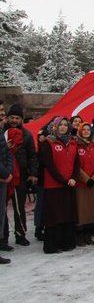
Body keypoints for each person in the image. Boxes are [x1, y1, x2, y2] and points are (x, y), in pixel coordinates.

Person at [40, 117, 78, 254]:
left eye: (65, 125)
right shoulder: (48, 142)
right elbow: (49, 165)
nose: (63, 127)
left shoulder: (73, 142)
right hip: (53, 185)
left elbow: (76, 164)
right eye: (60, 125)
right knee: (54, 216)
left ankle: (66, 243)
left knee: (67, 215)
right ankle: (52, 246)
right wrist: (63, 180)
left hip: (70, 184)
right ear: (54, 127)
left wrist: (73, 178)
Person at [2, 104, 37, 247]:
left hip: (20, 175)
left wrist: (33, 173)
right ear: (7, 118)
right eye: (12, 117)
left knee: (19, 207)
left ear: (21, 119)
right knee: (2, 208)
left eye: (17, 118)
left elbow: (32, 156)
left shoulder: (27, 135)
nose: (14, 120)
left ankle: (20, 234)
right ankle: (3, 238)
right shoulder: (1, 133)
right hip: (3, 174)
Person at [74, 122, 94, 246]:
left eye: (88, 129)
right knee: (81, 210)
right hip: (81, 184)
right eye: (83, 129)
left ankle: (88, 233)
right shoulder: (76, 145)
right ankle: (79, 235)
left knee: (92, 210)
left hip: (93, 183)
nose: (86, 131)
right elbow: (76, 166)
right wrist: (86, 179)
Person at [0, 130, 14, 263]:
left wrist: (8, 171)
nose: (3, 114)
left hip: (4, 177)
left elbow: (7, 153)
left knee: (1, 214)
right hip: (2, 176)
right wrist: (4, 173)